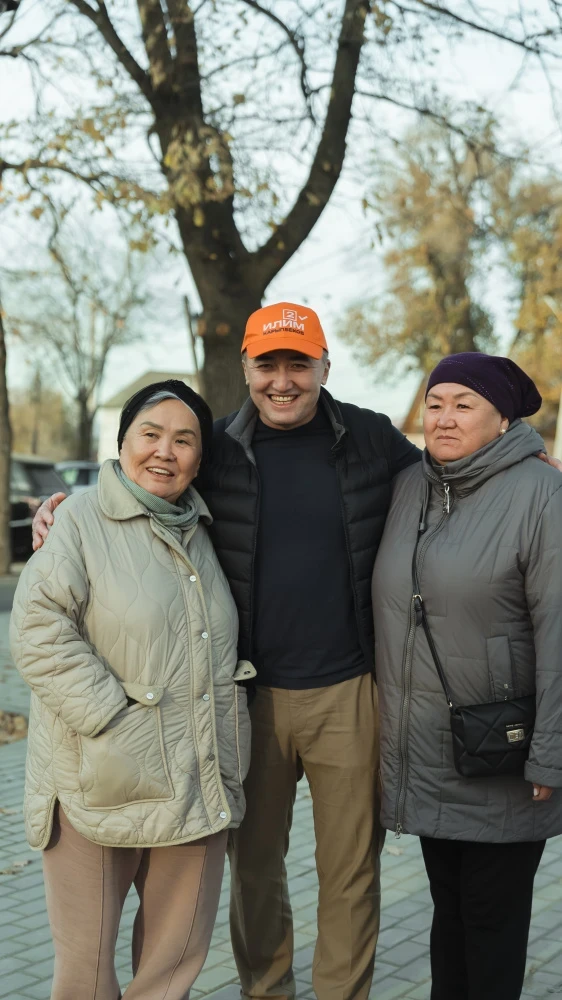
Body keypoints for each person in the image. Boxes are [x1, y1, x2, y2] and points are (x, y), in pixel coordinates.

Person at [33, 303, 422, 1000]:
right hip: (246, 699)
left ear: (323, 367)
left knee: (351, 872)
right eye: (266, 364)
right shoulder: (211, 448)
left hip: (347, 691)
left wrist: (522, 472)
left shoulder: (371, 437)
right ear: (245, 367)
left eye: (297, 364)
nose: (281, 380)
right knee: (254, 870)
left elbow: (443, 490)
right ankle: (265, 990)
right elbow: (139, 486)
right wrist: (63, 510)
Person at [11, 380, 255, 1000]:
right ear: (122, 444)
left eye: (184, 440)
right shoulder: (78, 521)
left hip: (195, 783)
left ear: (201, 458)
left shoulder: (205, 528)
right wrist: (114, 718)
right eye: (150, 434)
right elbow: (39, 631)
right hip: (97, 777)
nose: (164, 452)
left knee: (170, 973)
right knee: (86, 975)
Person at [372, 353, 562, 1000]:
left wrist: (551, 753)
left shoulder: (542, 495)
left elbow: (561, 633)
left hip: (504, 758)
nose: (444, 418)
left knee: (490, 928)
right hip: (430, 755)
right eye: (435, 403)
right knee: (449, 921)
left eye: (463, 405)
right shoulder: (411, 485)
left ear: (503, 418)